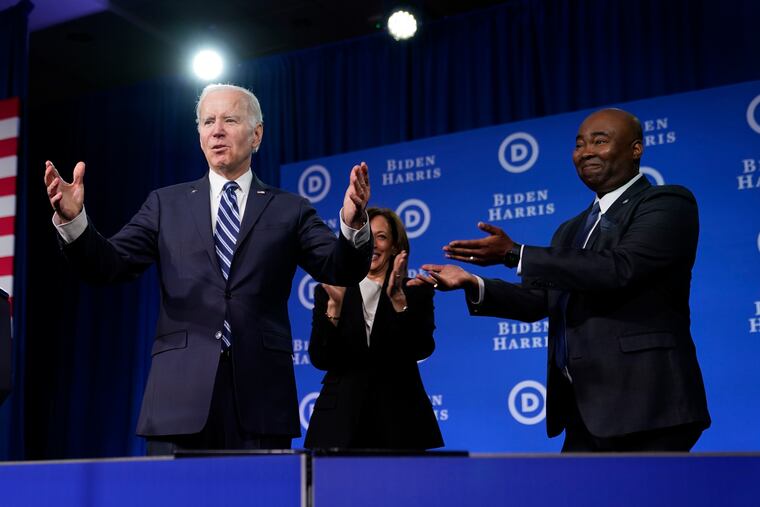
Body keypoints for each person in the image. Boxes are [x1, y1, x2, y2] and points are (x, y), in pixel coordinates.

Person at [43, 83, 373, 453]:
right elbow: (108, 266)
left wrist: (353, 223)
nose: (216, 130)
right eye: (207, 121)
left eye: (229, 120)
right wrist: (75, 222)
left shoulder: (290, 209)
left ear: (256, 135)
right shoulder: (165, 204)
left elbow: (339, 268)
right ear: (199, 133)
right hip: (177, 398)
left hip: (260, 397)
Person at [418, 108, 710, 452]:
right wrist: (473, 284)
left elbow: (619, 268)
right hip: (584, 410)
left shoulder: (667, 203)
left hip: (649, 406)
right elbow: (539, 300)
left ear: (636, 149)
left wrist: (515, 253)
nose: (585, 151)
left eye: (599, 141)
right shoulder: (570, 229)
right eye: (579, 144)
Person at [304, 208, 443, 450]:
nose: (373, 245)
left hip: (400, 420)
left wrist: (399, 301)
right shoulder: (332, 290)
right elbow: (320, 358)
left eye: (381, 237)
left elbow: (421, 348)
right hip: (340, 423)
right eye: (367, 236)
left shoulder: (415, 290)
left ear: (395, 247)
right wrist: (334, 308)